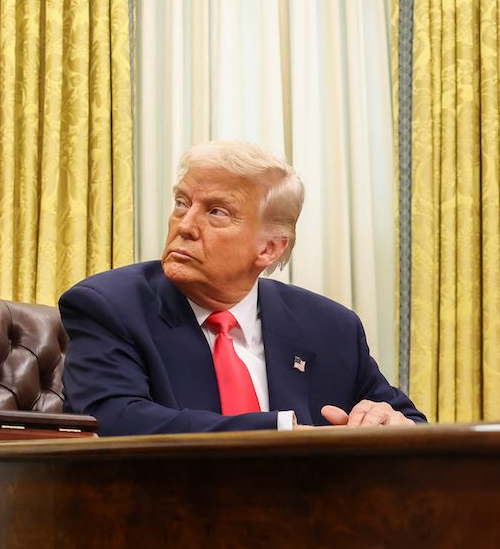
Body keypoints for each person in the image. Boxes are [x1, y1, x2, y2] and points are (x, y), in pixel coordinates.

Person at [59, 141, 421, 436]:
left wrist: (386, 421)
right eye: (182, 203)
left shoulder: (330, 327)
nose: (184, 225)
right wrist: (279, 431)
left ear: (270, 248)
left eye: (216, 212)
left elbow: (414, 426)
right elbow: (111, 422)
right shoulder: (110, 307)